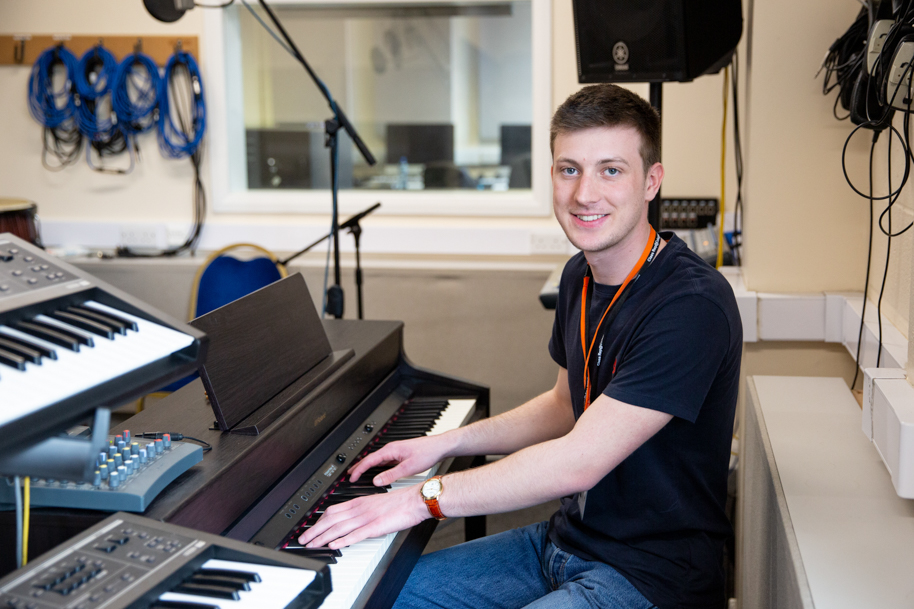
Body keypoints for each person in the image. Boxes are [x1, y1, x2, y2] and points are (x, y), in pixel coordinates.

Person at [298, 83, 743, 609]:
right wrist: (445, 444)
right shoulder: (581, 274)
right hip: (561, 544)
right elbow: (563, 406)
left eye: (611, 170)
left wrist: (423, 498)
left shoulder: (691, 305)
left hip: (649, 578)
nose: (585, 194)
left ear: (652, 181)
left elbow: (578, 462)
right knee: (368, 598)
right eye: (568, 169)